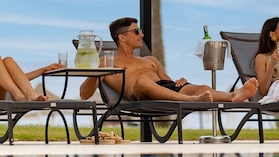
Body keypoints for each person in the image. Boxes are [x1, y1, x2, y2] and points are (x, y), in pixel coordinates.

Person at [80, 17, 259, 102]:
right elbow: (84, 94)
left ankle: (234, 95)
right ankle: (193, 101)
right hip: (141, 94)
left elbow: (168, 83)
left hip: (164, 91)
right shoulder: (106, 63)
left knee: (202, 88)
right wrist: (96, 73)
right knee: (143, 81)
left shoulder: (150, 60)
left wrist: (179, 82)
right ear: (122, 37)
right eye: (136, 32)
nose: (142, 35)